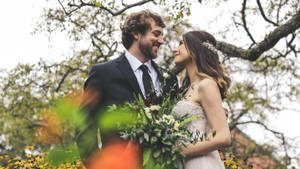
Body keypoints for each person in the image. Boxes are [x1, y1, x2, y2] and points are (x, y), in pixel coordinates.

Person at [75, 10, 178, 164]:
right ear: (136, 33)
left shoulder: (170, 79)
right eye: (156, 34)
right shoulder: (103, 73)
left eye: (162, 35)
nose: (161, 40)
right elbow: (84, 127)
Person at [172, 30, 232, 169]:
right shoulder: (186, 90)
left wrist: (180, 150)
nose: (175, 49)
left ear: (194, 48)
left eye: (181, 43)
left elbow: (223, 136)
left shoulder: (207, 85)